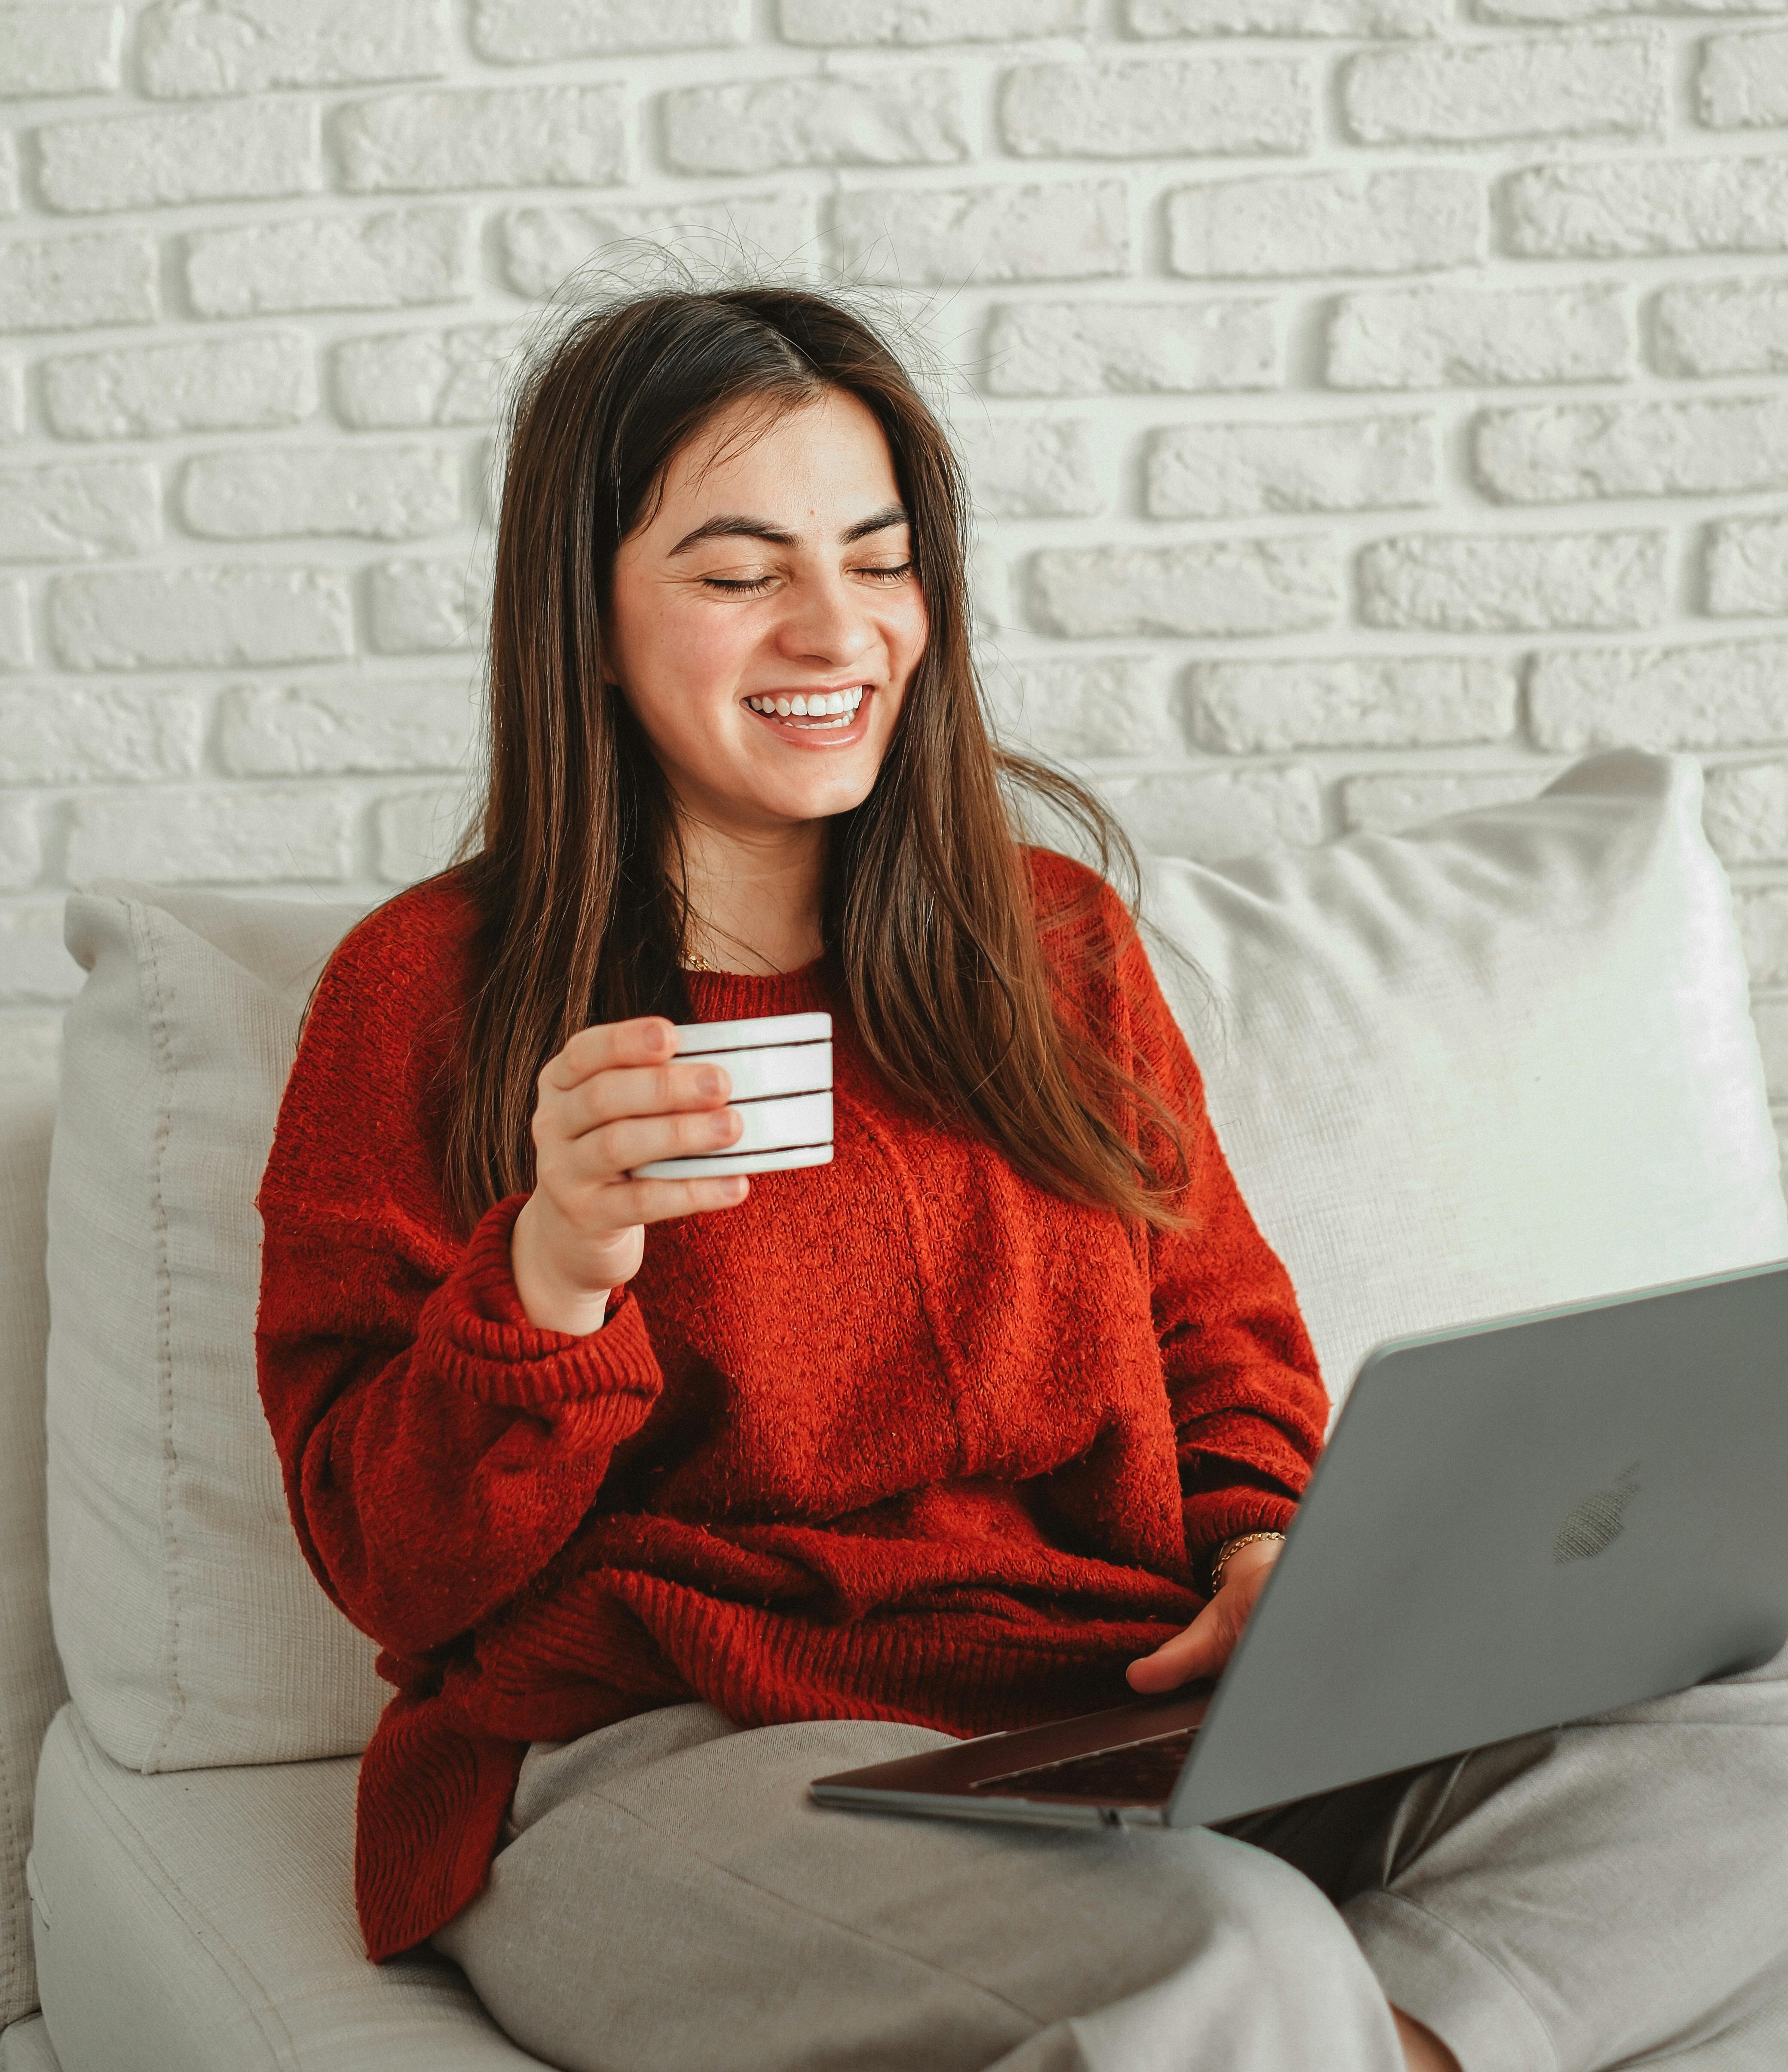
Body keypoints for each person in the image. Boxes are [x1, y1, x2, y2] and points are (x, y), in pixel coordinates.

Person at [257, 281, 1788, 2072]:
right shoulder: (424, 993)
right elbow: (392, 1567)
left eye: (879, 558)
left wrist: (1261, 1552)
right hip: (667, 1752)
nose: (834, 627)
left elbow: (1217, 1334)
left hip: (1094, 1711)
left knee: (1748, 1764)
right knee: (1223, 1945)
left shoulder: (1044, 940)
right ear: (583, 615)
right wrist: (550, 1275)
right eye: (739, 572)